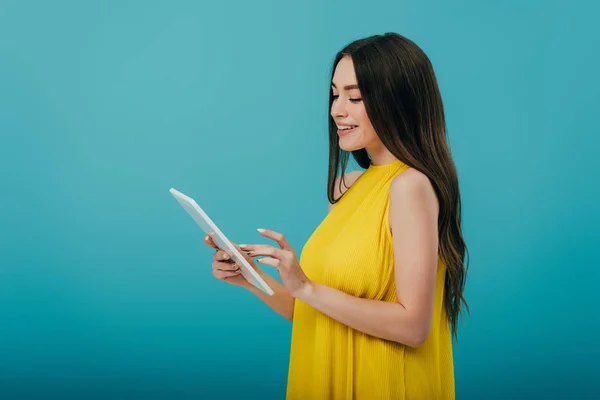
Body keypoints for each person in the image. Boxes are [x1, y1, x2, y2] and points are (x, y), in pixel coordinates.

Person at [204, 32, 469, 400]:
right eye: (334, 93)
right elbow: (314, 312)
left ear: (397, 100)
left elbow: (413, 326)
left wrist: (307, 287)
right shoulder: (346, 187)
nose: (336, 110)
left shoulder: (410, 187)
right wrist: (250, 277)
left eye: (354, 97)